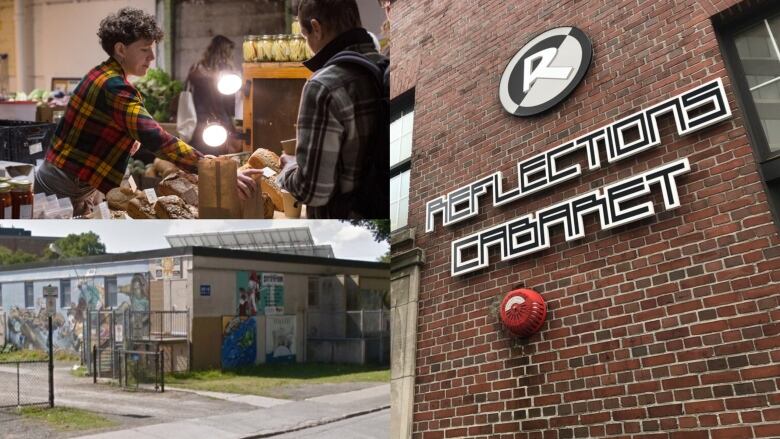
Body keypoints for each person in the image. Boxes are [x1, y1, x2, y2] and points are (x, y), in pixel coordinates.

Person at [35, 7, 260, 216]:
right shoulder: (114, 87)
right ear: (121, 49)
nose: (151, 57)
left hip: (67, 182)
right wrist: (216, 171)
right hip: (61, 187)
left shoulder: (103, 75)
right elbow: (155, 137)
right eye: (144, 49)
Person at [278, 0, 388, 219]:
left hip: (339, 232)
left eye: (305, 35)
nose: (307, 43)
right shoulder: (387, 66)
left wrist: (289, 168)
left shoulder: (323, 85)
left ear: (316, 27)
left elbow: (312, 190)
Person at [185, 35, 241, 156]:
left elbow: (187, 91)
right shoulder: (226, 72)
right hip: (221, 119)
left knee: (202, 157)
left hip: (199, 120)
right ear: (226, 52)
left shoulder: (197, 68)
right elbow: (229, 103)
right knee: (222, 157)